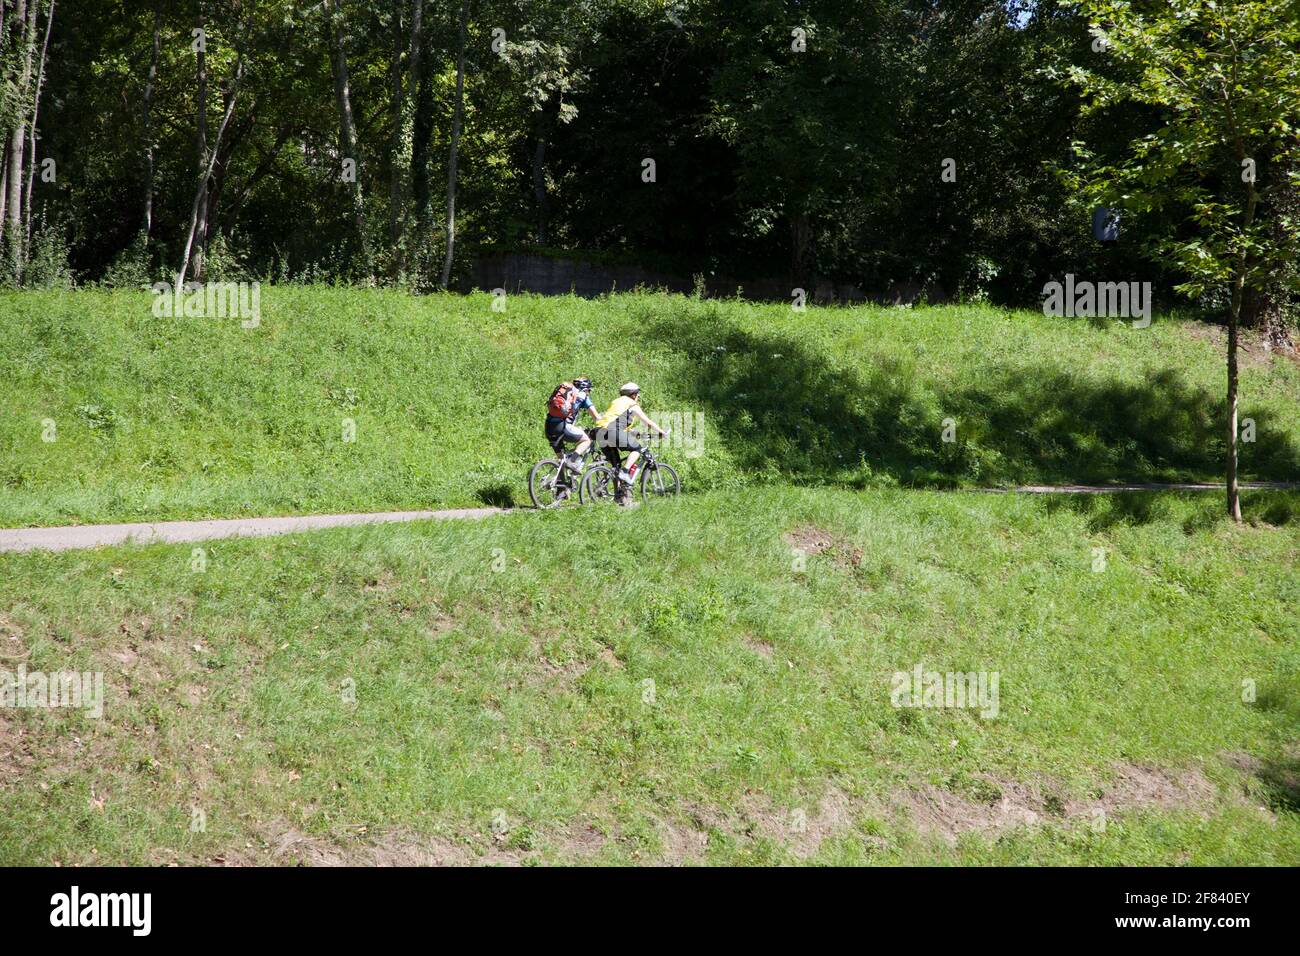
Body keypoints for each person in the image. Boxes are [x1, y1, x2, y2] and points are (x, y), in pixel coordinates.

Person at [594, 382, 668, 505]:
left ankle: (620, 499)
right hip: (613, 431)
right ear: (633, 395)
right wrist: (662, 432)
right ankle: (625, 471)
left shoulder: (616, 402)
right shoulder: (632, 404)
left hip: (599, 432)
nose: (638, 397)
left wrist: (638, 434)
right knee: (637, 449)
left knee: (615, 466)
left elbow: (619, 423)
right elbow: (648, 423)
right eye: (637, 394)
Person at [544, 377, 598, 484]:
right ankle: (573, 460)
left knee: (561, 461)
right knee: (586, 440)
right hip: (562, 426)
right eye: (589, 390)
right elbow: (596, 417)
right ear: (585, 388)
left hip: (549, 426)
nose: (589, 393)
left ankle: (561, 489)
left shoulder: (567, 393)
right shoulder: (583, 396)